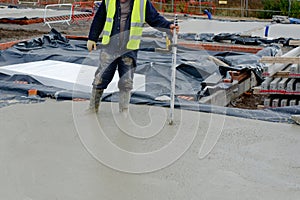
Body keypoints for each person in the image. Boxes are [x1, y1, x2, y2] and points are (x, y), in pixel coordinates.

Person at [86, 0, 178, 114]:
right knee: (101, 79)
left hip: (128, 49)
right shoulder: (109, 1)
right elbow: (99, 18)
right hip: (109, 47)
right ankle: (92, 109)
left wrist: (168, 26)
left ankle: (124, 112)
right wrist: (92, 38)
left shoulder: (142, 2)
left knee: (126, 82)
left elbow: (154, 18)